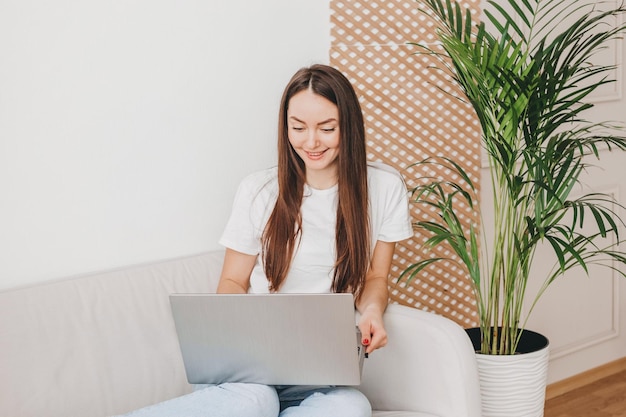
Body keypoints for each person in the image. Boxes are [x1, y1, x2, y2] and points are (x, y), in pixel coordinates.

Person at [118, 64, 412, 417]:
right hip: (247, 375)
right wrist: (233, 335)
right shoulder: (259, 190)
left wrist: (372, 311)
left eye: (327, 129)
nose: (311, 142)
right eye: (298, 128)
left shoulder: (384, 188)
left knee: (352, 407)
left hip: (320, 378)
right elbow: (232, 281)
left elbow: (375, 278)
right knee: (258, 400)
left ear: (348, 126)